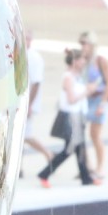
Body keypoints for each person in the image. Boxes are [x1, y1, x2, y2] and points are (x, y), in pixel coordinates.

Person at [38, 48, 98, 187]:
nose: (84, 62)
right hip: (71, 117)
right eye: (81, 59)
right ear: (75, 61)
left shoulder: (77, 76)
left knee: (79, 148)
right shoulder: (68, 78)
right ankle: (45, 174)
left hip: (78, 116)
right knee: (70, 149)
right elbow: (71, 99)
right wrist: (87, 91)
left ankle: (86, 177)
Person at [79, 31, 108, 182]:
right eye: (81, 44)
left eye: (85, 44)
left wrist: (103, 103)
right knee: (80, 134)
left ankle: (100, 167)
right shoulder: (82, 60)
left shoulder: (100, 60)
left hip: (98, 99)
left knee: (95, 135)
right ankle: (87, 165)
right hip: (85, 99)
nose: (82, 47)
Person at [21, 29, 50, 173]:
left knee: (26, 136)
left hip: (29, 103)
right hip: (23, 101)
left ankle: (49, 154)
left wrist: (30, 105)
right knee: (21, 137)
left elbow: (36, 83)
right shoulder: (22, 55)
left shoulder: (34, 58)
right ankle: (19, 168)